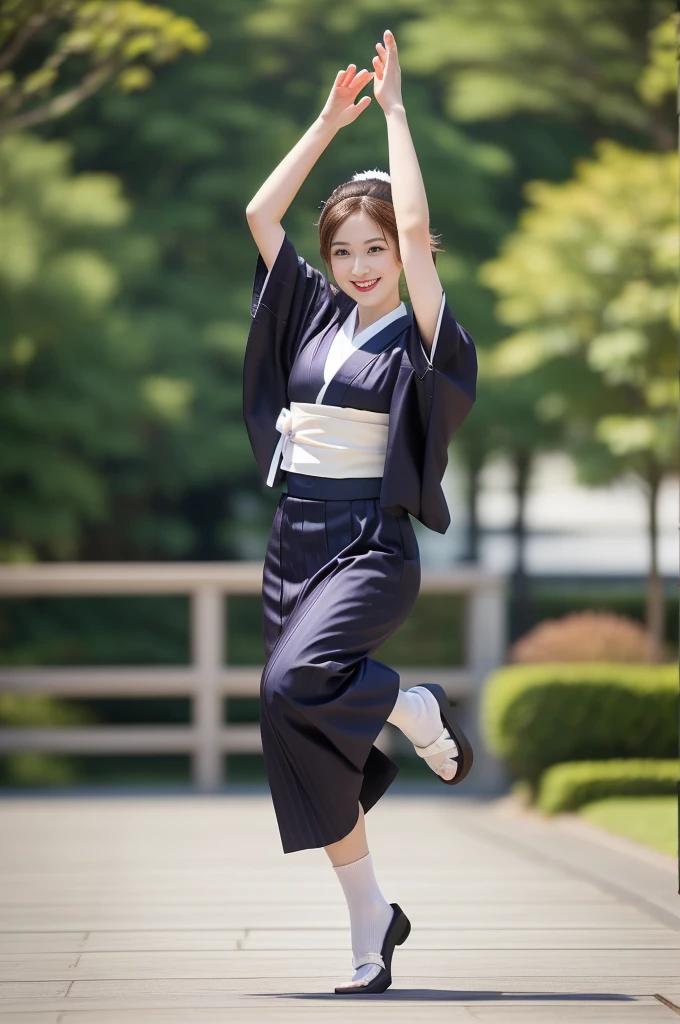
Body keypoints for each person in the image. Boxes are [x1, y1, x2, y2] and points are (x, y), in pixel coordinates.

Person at [243, 29, 478, 995]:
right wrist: (325, 124)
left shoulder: (421, 329)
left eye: (373, 248)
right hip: (293, 538)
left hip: (370, 545)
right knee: (295, 721)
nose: (357, 263)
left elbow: (418, 231)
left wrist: (393, 115)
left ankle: (411, 705)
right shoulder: (313, 312)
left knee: (294, 683)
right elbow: (261, 214)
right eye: (344, 250)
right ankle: (370, 917)